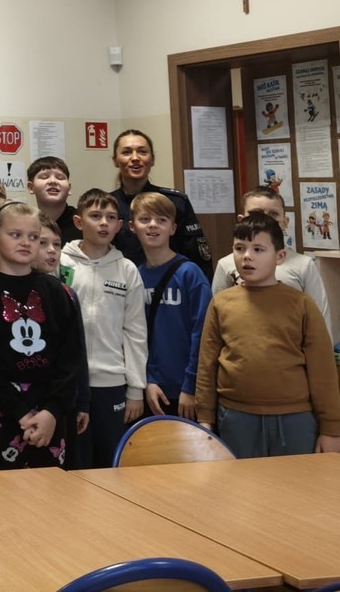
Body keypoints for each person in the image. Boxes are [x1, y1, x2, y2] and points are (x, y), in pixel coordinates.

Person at [196, 213, 340, 458]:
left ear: (279, 256)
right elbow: (207, 364)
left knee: (297, 480)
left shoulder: (301, 304)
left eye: (258, 249)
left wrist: (331, 428)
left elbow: (323, 369)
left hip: (294, 418)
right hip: (236, 416)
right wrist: (205, 417)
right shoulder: (221, 303)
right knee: (240, 481)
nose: (247, 256)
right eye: (239, 248)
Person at [0, 202, 81, 470]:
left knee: (51, 485)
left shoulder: (55, 290)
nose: (26, 242)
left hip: (50, 409)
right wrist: (20, 412)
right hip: (2, 407)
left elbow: (71, 356)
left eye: (34, 237)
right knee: (5, 488)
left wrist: (51, 411)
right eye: (15, 235)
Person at [59, 189, 146, 468]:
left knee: (111, 462)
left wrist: (136, 389)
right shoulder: (61, 262)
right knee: (76, 462)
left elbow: (135, 332)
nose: (104, 223)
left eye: (110, 217)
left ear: (120, 226)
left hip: (112, 383)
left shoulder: (127, 269)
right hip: (70, 382)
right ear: (78, 221)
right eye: (95, 216)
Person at [212, 187, 333, 341]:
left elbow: (320, 319)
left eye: (274, 214)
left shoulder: (303, 265)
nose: (266, 221)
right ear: (242, 220)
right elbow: (216, 320)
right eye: (256, 214)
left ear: (285, 222)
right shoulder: (227, 264)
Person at [131, 193, 210, 420]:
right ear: (132, 226)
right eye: (145, 219)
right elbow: (134, 335)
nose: (153, 225)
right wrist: (148, 380)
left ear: (173, 228)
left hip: (187, 390)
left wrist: (190, 386)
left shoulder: (190, 274)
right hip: (151, 389)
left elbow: (203, 333)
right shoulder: (134, 275)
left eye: (162, 220)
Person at [109, 129, 212, 276]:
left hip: (169, 284)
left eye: (142, 152)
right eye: (126, 152)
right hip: (119, 282)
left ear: (152, 159)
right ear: (115, 161)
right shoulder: (108, 205)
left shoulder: (174, 202)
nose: (135, 158)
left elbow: (198, 258)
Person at [33, 214, 91, 467]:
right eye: (43, 243)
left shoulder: (67, 293)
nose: (51, 251)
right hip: (28, 399)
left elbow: (77, 353)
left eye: (56, 244)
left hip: (63, 398)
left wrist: (83, 401)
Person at [26, 157, 79, 245]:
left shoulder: (83, 223)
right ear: (31, 187)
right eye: (44, 177)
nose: (53, 181)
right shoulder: (25, 224)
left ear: (69, 189)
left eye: (60, 177)